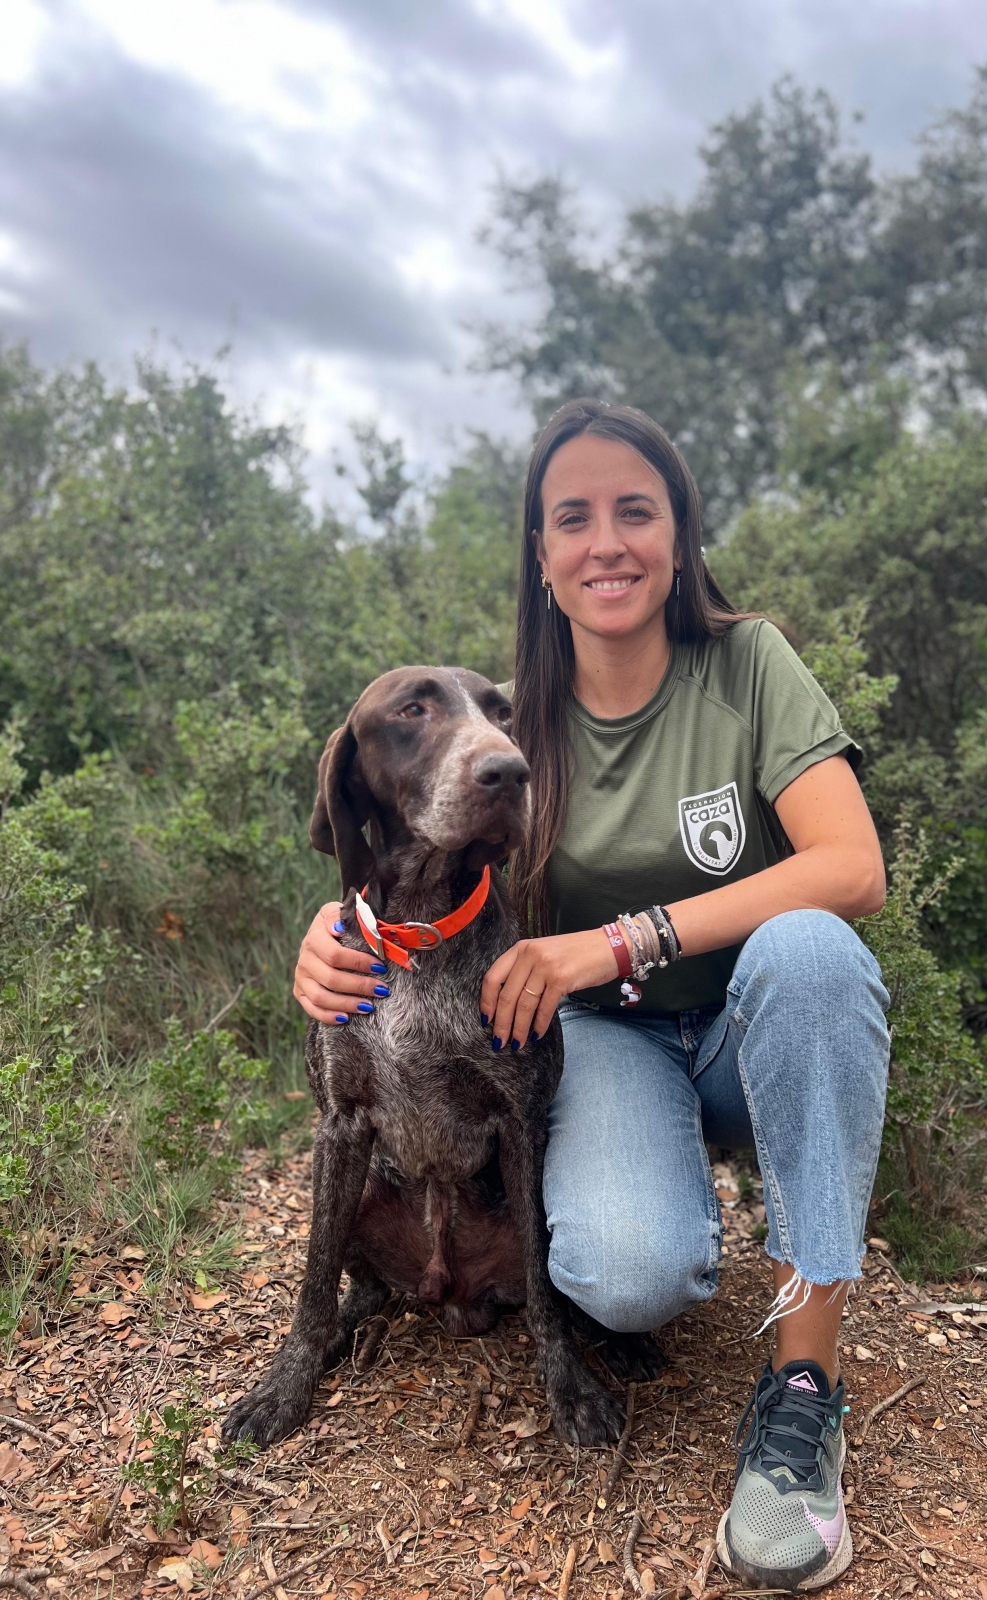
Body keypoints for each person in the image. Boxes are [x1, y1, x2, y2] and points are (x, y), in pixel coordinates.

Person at [293, 399, 891, 1593]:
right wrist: (330, 931)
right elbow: (419, 868)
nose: (607, 541)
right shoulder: (511, 722)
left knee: (816, 954)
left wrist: (615, 940)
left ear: (678, 534)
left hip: (747, 1027)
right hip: (613, 1047)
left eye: (637, 510)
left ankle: (804, 1390)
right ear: (542, 553)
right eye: (575, 517)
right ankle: (663, 1230)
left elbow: (852, 868)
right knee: (628, 1274)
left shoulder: (748, 663)